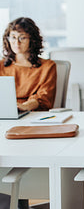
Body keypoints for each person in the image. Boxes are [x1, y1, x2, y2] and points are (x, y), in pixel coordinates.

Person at [0, 17, 57, 209]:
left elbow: (43, 99)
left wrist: (23, 106)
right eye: (12, 37)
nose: (16, 43)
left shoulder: (48, 66)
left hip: (32, 121)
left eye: (22, 38)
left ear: (32, 39)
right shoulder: (1, 67)